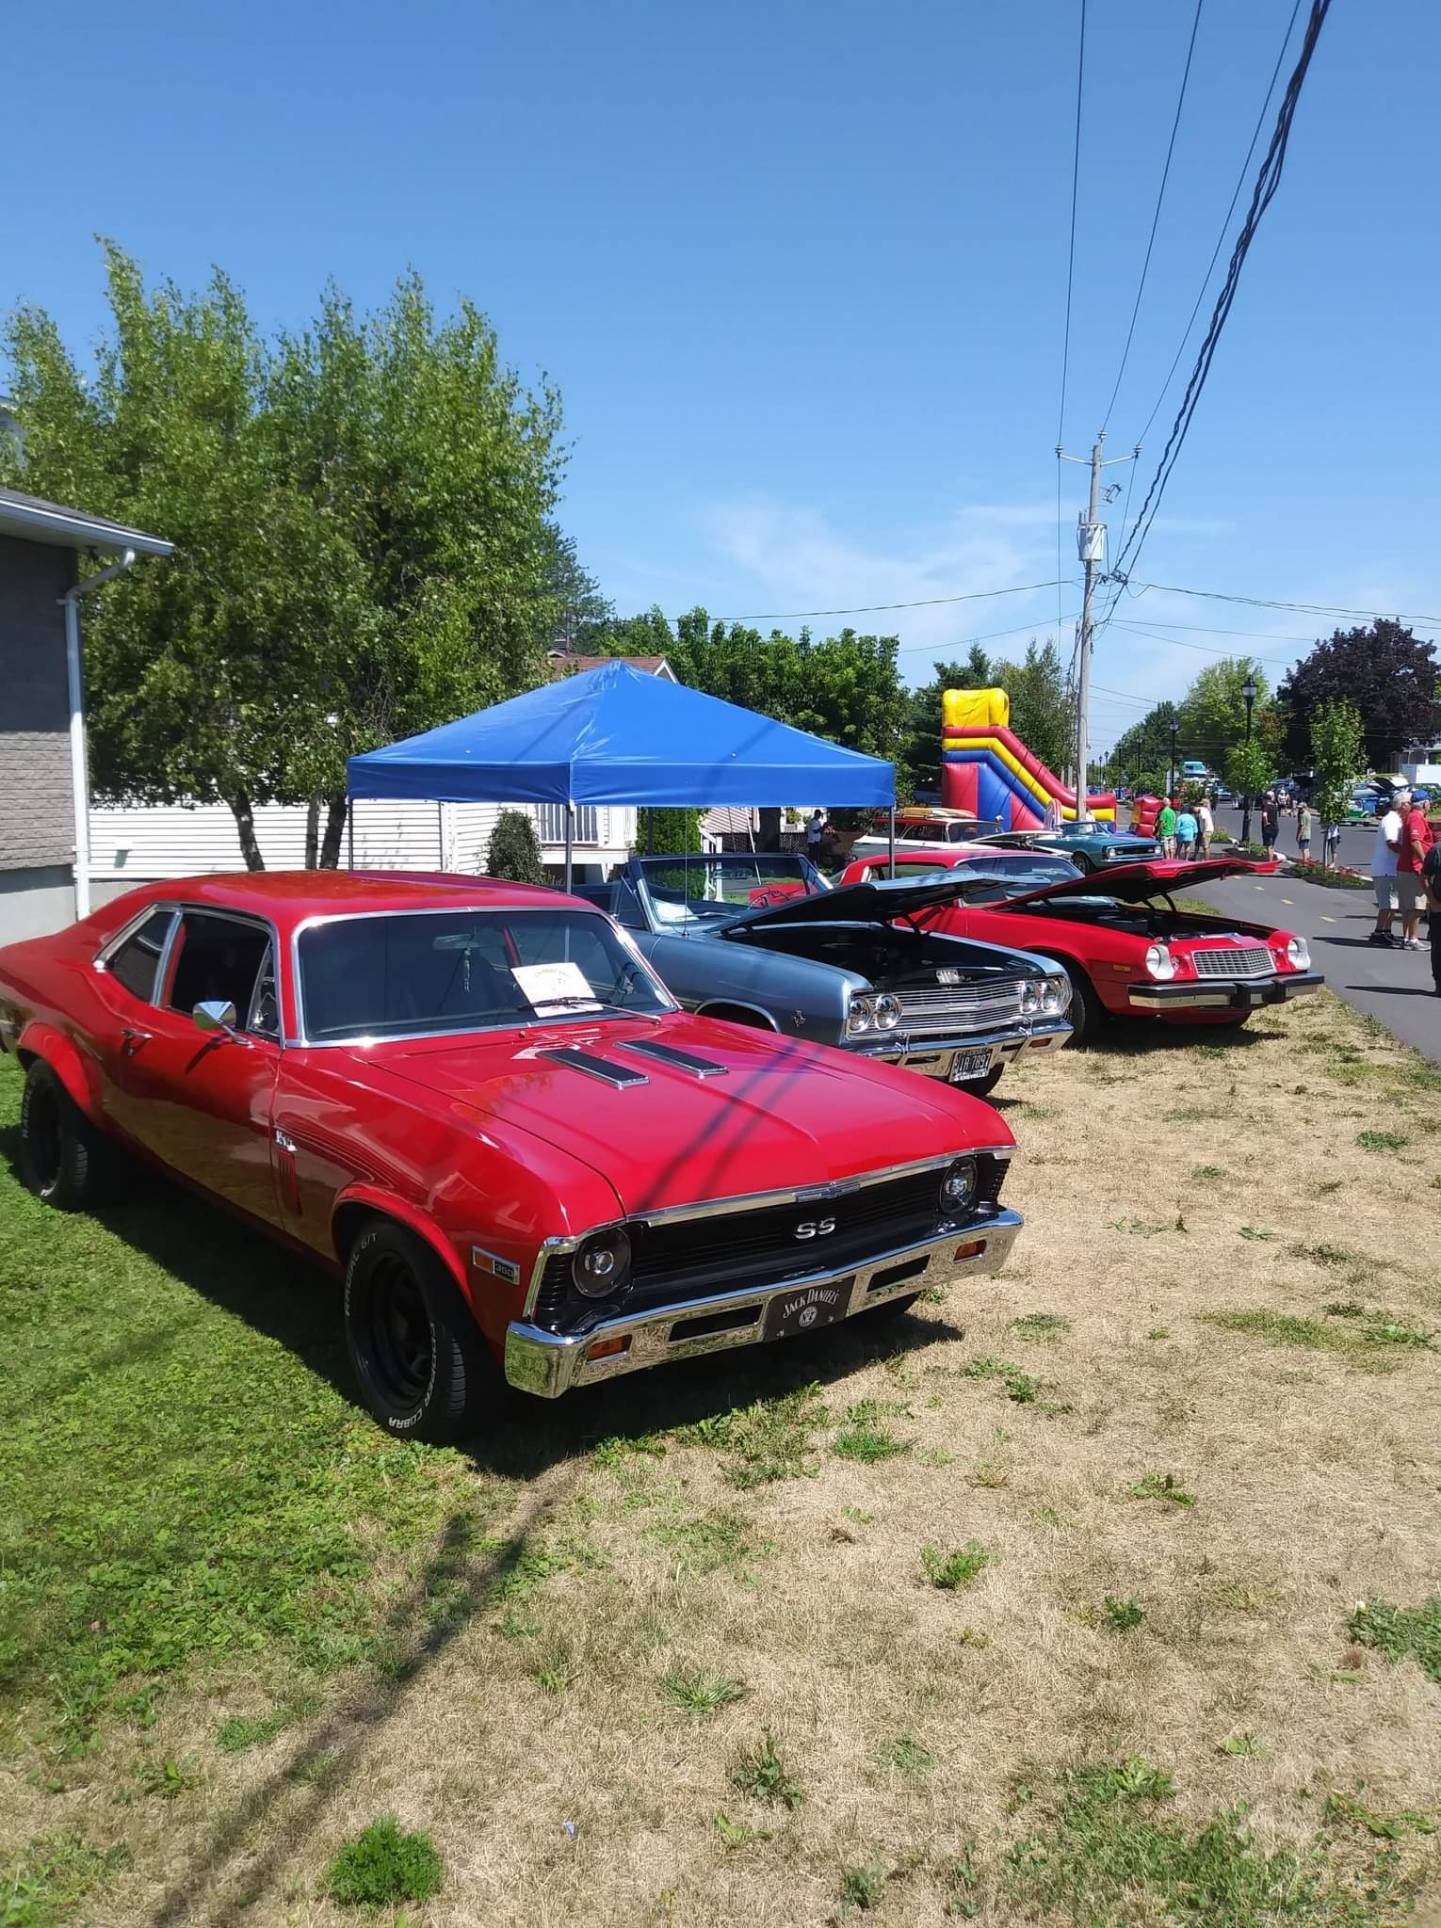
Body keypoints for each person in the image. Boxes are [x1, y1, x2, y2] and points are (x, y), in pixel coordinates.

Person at [1395, 789, 1434, 951]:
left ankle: (1407, 938)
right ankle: (1412, 939)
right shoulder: (1416, 817)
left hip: (1407, 866)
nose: (1430, 805)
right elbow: (1415, 842)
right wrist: (1425, 862)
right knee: (1417, 907)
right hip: (1414, 867)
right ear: (1425, 803)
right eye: (1429, 802)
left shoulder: (1411, 817)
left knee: (1409, 907)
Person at [1369, 788, 1406, 946]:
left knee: (1393, 904)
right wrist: (1407, 854)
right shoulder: (1391, 820)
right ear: (1402, 805)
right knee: (1387, 904)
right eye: (1409, 803)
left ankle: (1386, 931)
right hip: (1386, 869)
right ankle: (1379, 932)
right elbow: (1391, 842)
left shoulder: (1396, 819)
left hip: (1391, 868)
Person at [1424, 815, 1441, 994]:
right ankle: (1439, 982)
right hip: (1439, 907)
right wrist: (1433, 901)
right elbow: (1424, 877)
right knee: (1438, 947)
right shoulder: (1437, 850)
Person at [1259, 791, 1280, 861]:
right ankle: (1270, 860)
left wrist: (1266, 823)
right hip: (1275, 828)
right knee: (1272, 845)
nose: (1262, 801)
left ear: (1266, 800)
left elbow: (1264, 815)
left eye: (1263, 800)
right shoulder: (1274, 807)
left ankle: (1269, 861)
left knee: (1268, 846)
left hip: (1268, 829)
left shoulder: (1266, 807)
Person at [1196, 793, 1214, 857]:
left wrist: (1203, 831)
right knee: (1205, 845)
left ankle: (1206, 859)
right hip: (1208, 829)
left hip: (1206, 830)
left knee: (1206, 846)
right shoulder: (1206, 810)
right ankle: (1205, 858)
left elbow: (1204, 819)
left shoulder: (1203, 810)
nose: (1200, 805)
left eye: (1201, 804)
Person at [1295, 799, 1312, 864]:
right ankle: (1307, 860)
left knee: (1303, 849)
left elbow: (1301, 826)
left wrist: (1298, 836)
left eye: (1301, 808)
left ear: (1304, 808)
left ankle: (1305, 861)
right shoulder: (1308, 813)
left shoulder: (1303, 815)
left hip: (1303, 834)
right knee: (1306, 848)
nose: (1299, 809)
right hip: (1308, 833)